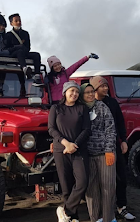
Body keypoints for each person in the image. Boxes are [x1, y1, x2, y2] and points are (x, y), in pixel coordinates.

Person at [90, 76, 136, 221]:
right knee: (98, 182)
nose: (106, 88)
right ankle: (102, 212)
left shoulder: (112, 102)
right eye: (103, 86)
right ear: (95, 88)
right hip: (95, 148)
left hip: (113, 145)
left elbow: (120, 123)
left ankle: (121, 207)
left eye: (106, 86)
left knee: (121, 176)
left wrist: (124, 140)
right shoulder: (88, 104)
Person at [48, 81, 91, 222]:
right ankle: (73, 218)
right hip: (61, 151)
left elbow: (86, 129)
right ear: (65, 92)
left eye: (77, 92)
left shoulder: (82, 108)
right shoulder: (56, 108)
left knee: (82, 182)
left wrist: (74, 144)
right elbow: (51, 129)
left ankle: (65, 212)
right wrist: (65, 143)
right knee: (66, 185)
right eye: (71, 91)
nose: (74, 94)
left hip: (78, 150)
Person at [80, 83, 117, 222]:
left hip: (103, 154)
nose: (90, 95)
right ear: (82, 94)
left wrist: (109, 150)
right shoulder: (79, 109)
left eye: (92, 92)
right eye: (87, 92)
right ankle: (95, 218)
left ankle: (109, 218)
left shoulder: (102, 107)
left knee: (108, 187)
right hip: (87, 155)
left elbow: (110, 129)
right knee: (91, 189)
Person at [3, 13, 43, 81]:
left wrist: (24, 49)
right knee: (19, 51)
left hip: (24, 52)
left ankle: (37, 75)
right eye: (16, 21)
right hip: (14, 54)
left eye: (20, 20)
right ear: (11, 23)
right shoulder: (8, 35)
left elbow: (28, 47)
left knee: (36, 55)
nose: (19, 22)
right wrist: (17, 47)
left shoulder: (25, 33)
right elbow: (6, 48)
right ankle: (25, 69)